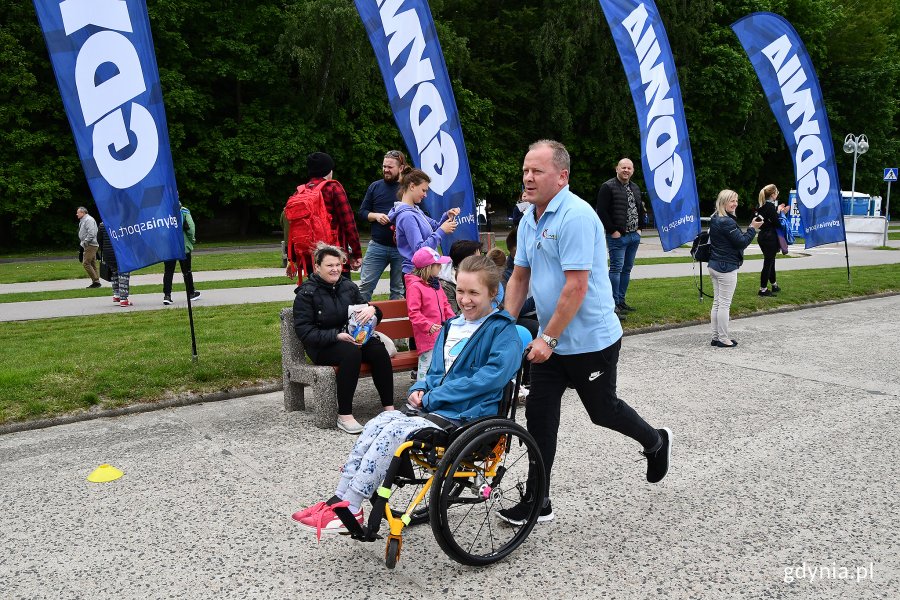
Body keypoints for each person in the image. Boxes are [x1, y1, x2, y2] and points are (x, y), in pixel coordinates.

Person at [503, 140, 672, 526]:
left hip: (590, 341)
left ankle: (655, 441)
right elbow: (520, 276)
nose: (528, 177)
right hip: (552, 340)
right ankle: (537, 499)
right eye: (525, 170)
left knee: (602, 411)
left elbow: (576, 286)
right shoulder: (530, 217)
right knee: (541, 419)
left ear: (561, 176)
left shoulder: (575, 216)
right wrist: (502, 323)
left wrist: (547, 338)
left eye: (537, 171)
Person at [291, 255, 522, 537]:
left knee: (394, 433)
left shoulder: (502, 331)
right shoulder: (452, 326)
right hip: (437, 408)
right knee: (379, 422)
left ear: (493, 293)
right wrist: (419, 389)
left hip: (468, 415)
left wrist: (434, 398)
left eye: (474, 292)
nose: (465, 299)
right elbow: (435, 370)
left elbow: (487, 380)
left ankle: (351, 505)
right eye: (460, 291)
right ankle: (339, 499)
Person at [293, 244, 394, 434]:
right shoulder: (306, 293)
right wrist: (336, 335)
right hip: (323, 346)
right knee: (351, 353)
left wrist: (373, 310)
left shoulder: (347, 286)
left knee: (378, 350)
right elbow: (305, 332)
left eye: (338, 265)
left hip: (352, 338)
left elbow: (367, 310)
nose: (335, 269)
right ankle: (345, 415)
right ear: (317, 267)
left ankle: (389, 409)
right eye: (330, 265)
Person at [387, 167, 460, 292]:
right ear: (412, 186)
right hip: (416, 273)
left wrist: (446, 216)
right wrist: (442, 231)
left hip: (425, 272)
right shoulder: (407, 216)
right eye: (423, 190)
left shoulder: (415, 210)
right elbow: (420, 250)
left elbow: (434, 228)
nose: (425, 195)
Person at [708, 190, 761, 347]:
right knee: (724, 304)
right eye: (732, 201)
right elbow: (741, 242)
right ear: (723, 202)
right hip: (726, 266)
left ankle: (716, 337)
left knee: (717, 303)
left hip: (715, 264)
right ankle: (723, 338)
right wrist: (752, 228)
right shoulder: (727, 222)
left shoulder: (715, 218)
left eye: (736, 200)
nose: (735, 204)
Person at [595, 158, 646, 316]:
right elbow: (601, 211)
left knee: (627, 269)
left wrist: (640, 229)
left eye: (629, 168)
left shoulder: (635, 187)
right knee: (616, 269)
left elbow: (640, 209)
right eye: (623, 167)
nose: (626, 170)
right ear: (617, 169)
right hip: (618, 236)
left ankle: (621, 301)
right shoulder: (608, 187)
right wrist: (612, 231)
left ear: (632, 170)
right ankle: (613, 304)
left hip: (633, 236)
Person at [357, 150, 407, 301]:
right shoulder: (375, 187)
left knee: (398, 291)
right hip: (377, 246)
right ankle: (357, 322)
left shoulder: (408, 188)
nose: (386, 170)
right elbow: (362, 212)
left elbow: (424, 215)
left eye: (390, 167)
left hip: (401, 249)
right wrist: (376, 216)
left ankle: (396, 324)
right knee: (365, 286)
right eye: (384, 166)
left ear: (402, 168)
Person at [405, 247, 456, 380]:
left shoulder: (435, 284)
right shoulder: (415, 287)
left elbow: (445, 305)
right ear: (428, 267)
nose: (440, 267)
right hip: (426, 335)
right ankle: (419, 394)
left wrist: (453, 320)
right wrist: (427, 325)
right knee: (426, 367)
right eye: (437, 265)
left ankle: (435, 392)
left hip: (441, 332)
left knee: (441, 365)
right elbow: (414, 312)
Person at [162, 203, 200, 305]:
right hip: (183, 245)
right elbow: (191, 227)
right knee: (186, 270)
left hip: (169, 247)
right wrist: (192, 240)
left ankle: (167, 295)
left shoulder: (163, 211)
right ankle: (191, 293)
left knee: (168, 271)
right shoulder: (183, 211)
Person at [755, 184, 789, 297]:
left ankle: (774, 285)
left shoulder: (761, 206)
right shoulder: (770, 207)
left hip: (762, 236)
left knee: (771, 261)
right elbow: (777, 224)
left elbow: (761, 220)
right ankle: (763, 289)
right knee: (768, 263)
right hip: (770, 237)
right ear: (773, 194)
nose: (777, 195)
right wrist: (782, 213)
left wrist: (777, 211)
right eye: (777, 193)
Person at [438, 239, 483, 314]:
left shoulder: (479, 274)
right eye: (477, 258)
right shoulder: (446, 286)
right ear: (465, 261)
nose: (481, 261)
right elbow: (453, 314)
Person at [98, 222, 132, 307]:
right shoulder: (121, 222)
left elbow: (99, 240)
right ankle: (123, 299)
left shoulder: (102, 224)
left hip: (108, 254)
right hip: (120, 252)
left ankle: (116, 294)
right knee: (123, 273)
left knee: (114, 272)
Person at [76, 207, 101, 289]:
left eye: (78, 212)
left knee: (86, 263)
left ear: (83, 213)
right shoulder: (83, 220)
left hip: (90, 244)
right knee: (92, 264)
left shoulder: (88, 220)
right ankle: (96, 282)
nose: (77, 214)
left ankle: (96, 281)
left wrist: (85, 243)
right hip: (89, 244)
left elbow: (92, 233)